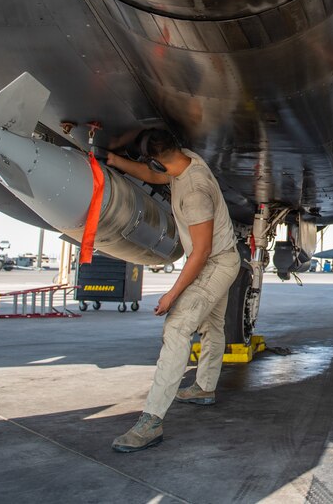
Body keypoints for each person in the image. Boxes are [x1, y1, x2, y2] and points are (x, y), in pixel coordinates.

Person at [105, 130, 240, 453]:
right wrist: (115, 161)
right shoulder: (188, 158)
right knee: (212, 326)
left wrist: (172, 294)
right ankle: (204, 387)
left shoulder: (194, 193)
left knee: (178, 326)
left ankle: (151, 421)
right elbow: (156, 174)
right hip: (224, 257)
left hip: (216, 264)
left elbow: (201, 252)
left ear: (157, 157)